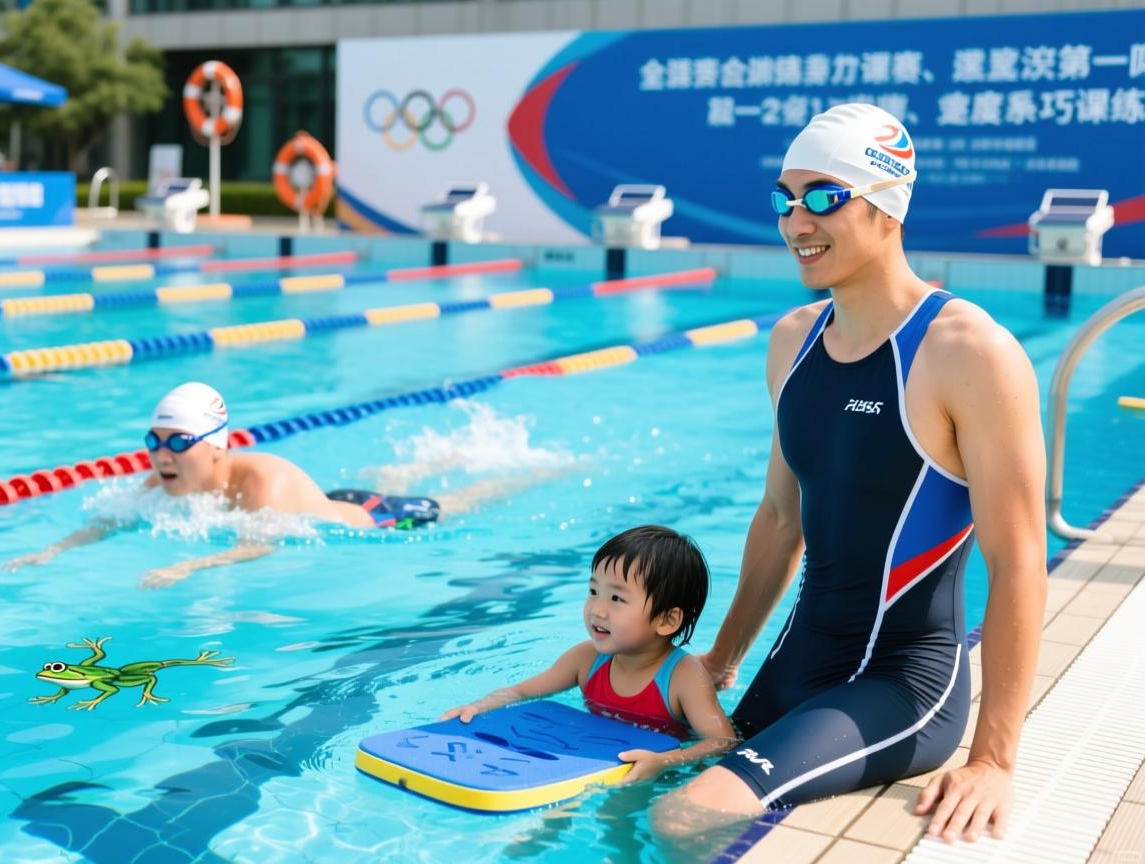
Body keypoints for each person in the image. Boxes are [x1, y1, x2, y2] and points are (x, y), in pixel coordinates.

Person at [652, 103, 1047, 848]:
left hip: (901, 684)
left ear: (889, 203)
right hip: (800, 659)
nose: (798, 221)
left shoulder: (968, 352)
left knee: (684, 815)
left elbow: (1020, 560)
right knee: (637, 761)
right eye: (785, 199)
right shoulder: (793, 341)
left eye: (826, 197)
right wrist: (720, 661)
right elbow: (778, 517)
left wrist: (994, 758)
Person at [3, 381, 446, 588]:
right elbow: (112, 521)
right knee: (384, 480)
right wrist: (54, 550)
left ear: (217, 446)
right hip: (325, 501)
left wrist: (189, 567)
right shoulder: (160, 478)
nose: (161, 454)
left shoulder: (261, 481)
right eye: (154, 441)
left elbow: (257, 546)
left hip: (380, 519)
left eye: (178, 441)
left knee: (452, 503)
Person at [442, 525, 739, 782]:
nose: (597, 609)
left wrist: (664, 762)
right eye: (593, 591)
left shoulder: (683, 676)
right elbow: (520, 691)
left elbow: (722, 741)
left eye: (616, 598)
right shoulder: (586, 660)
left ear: (667, 620)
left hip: (664, 775)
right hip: (595, 759)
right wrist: (478, 708)